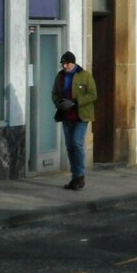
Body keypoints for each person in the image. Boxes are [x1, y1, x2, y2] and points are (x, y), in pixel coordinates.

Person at [51, 51, 98, 191]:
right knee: (70, 147)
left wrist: (75, 102)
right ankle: (75, 177)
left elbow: (93, 94)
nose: (65, 66)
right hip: (66, 116)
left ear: (73, 63)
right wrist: (59, 103)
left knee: (77, 143)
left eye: (67, 63)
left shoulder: (85, 76)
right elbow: (54, 93)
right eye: (63, 64)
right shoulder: (60, 77)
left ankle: (80, 175)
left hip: (81, 116)